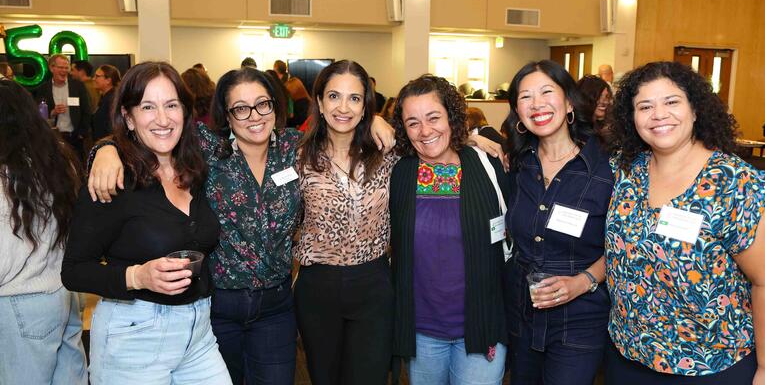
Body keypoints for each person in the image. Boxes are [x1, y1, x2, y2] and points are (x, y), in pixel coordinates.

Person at [86, 66, 397, 385]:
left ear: (276, 106)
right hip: (220, 304)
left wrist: (373, 117)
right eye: (241, 108)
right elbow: (158, 130)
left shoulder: (295, 148)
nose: (254, 116)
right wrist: (106, 149)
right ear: (227, 114)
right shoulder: (208, 149)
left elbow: (338, 129)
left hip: (276, 307)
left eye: (263, 104)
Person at [61, 61, 232, 385]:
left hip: (198, 334)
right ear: (128, 117)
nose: (163, 119)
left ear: (185, 111)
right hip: (134, 336)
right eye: (148, 107)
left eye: (171, 105)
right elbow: (73, 270)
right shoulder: (113, 179)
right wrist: (137, 276)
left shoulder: (195, 168)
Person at [604, 61, 765, 384]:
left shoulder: (734, 183)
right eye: (645, 106)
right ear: (631, 118)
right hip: (628, 357)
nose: (659, 115)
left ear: (695, 110)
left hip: (710, 364)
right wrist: (480, 143)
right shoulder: (624, 170)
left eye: (671, 102)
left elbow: (764, 281)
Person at [389, 74, 509, 385]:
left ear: (452, 118)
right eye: (412, 122)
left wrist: (474, 138)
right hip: (422, 332)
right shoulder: (398, 172)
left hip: (482, 324)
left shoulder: (487, 163)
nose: (425, 130)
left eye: (434, 117)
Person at [502, 60, 613, 385]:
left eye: (546, 92)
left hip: (580, 317)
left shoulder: (608, 169)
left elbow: (625, 242)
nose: (536, 104)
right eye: (525, 97)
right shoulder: (517, 163)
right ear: (518, 112)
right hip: (521, 313)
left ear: (568, 103)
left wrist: (582, 281)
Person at [293, 60, 398, 385]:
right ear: (320, 103)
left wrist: (480, 143)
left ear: (366, 105)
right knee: (325, 377)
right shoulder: (297, 156)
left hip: (373, 285)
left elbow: (437, 140)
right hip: (317, 287)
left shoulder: (388, 153)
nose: (344, 107)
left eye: (355, 98)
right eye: (334, 96)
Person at [0, 80, 87, 385]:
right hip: (64, 294)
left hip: (20, 302)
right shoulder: (56, 160)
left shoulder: (7, 173)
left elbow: (5, 254)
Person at [33, 54, 92, 161]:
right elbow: (37, 114)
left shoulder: (78, 86)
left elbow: (86, 110)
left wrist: (81, 134)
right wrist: (52, 112)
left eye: (66, 68)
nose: (64, 71)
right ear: (52, 68)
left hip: (74, 138)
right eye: (61, 67)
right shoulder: (43, 89)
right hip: (52, 138)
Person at [91, 64, 121, 140]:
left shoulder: (113, 98)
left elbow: (113, 126)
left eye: (97, 76)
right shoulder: (104, 97)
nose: (93, 79)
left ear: (108, 80)